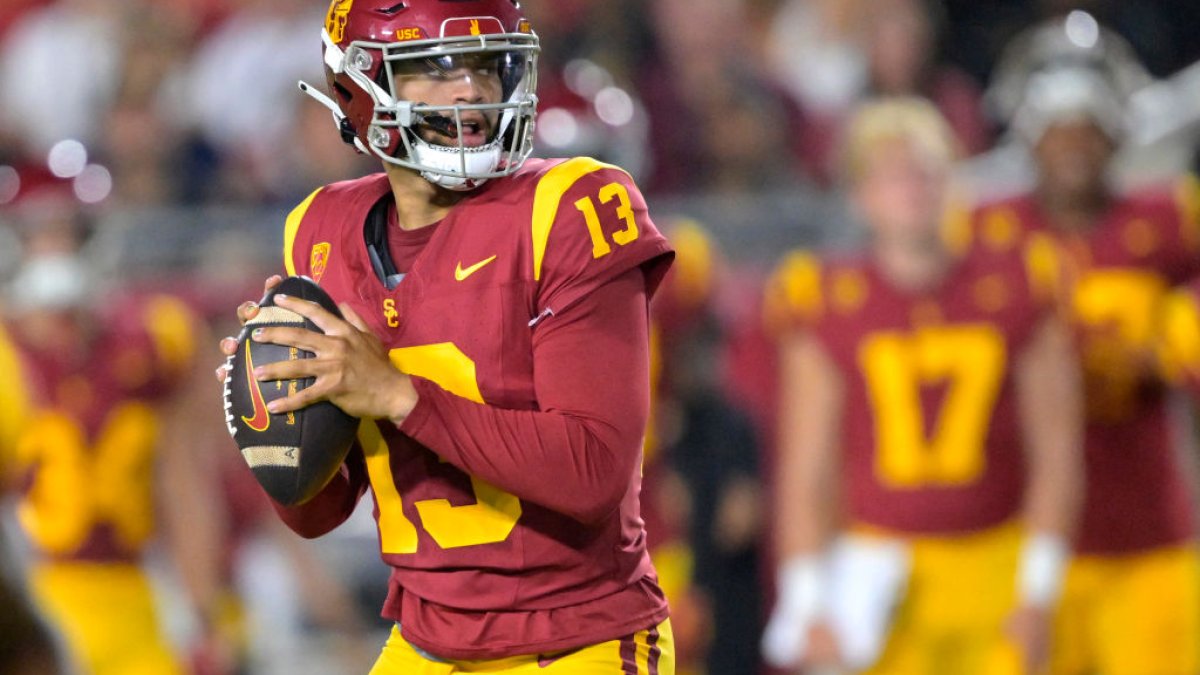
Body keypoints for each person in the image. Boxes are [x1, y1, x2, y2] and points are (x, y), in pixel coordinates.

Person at [215, 1, 676, 673]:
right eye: (436, 68)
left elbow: (593, 470)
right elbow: (318, 513)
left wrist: (398, 394)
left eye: (486, 65)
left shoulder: (569, 208)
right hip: (425, 640)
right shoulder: (318, 232)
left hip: (575, 639)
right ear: (361, 85)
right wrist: (276, 416)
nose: (472, 89)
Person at [761, 97, 1083, 674]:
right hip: (877, 575)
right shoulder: (825, 297)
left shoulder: (1020, 279)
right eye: (891, 175)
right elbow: (807, 468)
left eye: (925, 171)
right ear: (860, 195)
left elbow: (1057, 452)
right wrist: (807, 600)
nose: (911, 190)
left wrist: (1039, 589)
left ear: (955, 181)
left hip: (996, 563)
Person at [970, 61, 1200, 675]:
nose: (1073, 149)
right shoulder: (986, 232)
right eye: (1057, 133)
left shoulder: (1169, 219)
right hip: (1018, 536)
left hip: (1146, 525)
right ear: (1028, 142)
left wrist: (1172, 340)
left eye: (1088, 132)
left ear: (1116, 138)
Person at [1, 188, 226, 675]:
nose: (54, 248)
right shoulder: (5, 352)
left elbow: (184, 484)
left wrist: (203, 609)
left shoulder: (153, 338)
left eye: (68, 232)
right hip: (31, 592)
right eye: (39, 233)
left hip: (134, 593)